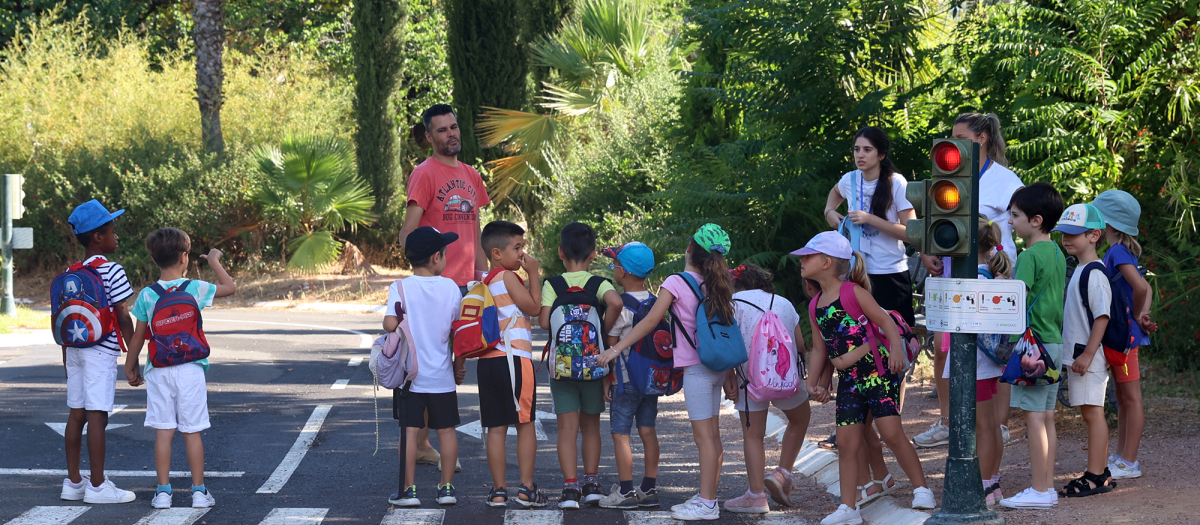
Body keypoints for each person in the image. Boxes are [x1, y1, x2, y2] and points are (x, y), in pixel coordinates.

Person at [601, 223, 738, 521]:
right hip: (716, 366)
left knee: (704, 437)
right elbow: (725, 329)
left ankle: (706, 503)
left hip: (697, 369)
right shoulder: (715, 283)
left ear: (690, 249)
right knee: (713, 436)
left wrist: (614, 349)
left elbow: (650, 321)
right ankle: (708, 496)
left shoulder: (676, 282)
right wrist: (730, 374)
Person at [797, 232, 936, 525]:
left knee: (892, 433)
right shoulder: (815, 305)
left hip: (877, 372)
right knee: (847, 444)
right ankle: (849, 508)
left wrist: (896, 350)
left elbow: (885, 320)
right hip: (850, 381)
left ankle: (922, 489)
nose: (802, 260)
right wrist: (814, 381)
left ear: (826, 262)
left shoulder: (853, 292)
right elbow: (820, 349)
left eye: (807, 256)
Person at [916, 113, 1025, 450]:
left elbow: (1015, 227)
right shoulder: (948, 174)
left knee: (995, 352)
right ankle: (948, 421)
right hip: (950, 272)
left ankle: (1000, 425)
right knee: (943, 347)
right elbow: (934, 221)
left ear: (981, 139)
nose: (953, 144)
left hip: (991, 275)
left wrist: (999, 267)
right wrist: (927, 252)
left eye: (960, 136)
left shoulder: (1007, 181)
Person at [398, 104, 491, 468]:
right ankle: (425, 442)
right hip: (435, 286)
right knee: (434, 366)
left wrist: (484, 281)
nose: (451, 134)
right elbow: (409, 229)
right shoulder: (424, 174)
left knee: (455, 363)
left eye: (454, 127)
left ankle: (423, 442)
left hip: (467, 286)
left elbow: (476, 231)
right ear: (429, 137)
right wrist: (418, 278)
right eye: (442, 130)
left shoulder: (471, 175)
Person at [123, 228, 235, 509]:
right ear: (185, 258)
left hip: (159, 370)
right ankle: (199, 492)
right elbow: (230, 288)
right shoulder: (195, 288)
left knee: (164, 431)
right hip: (190, 369)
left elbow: (139, 336)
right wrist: (214, 262)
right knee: (192, 431)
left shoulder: (148, 295)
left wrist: (130, 364)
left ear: (154, 259)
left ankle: (163, 492)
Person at [538, 222, 623, 509]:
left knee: (566, 429)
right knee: (591, 427)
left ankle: (570, 489)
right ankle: (591, 484)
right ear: (594, 253)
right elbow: (616, 303)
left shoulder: (553, 284)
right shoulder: (599, 284)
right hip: (594, 365)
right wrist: (601, 333)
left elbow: (542, 322)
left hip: (561, 369)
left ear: (560, 252)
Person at [59, 200, 136, 504]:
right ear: (98, 238)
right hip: (100, 351)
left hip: (74, 350)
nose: (117, 237)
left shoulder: (71, 272)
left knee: (76, 414)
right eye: (113, 231)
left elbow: (66, 316)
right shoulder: (113, 271)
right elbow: (122, 317)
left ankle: (74, 482)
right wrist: (133, 358)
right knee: (98, 414)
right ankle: (98, 486)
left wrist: (66, 358)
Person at [722, 263, 812, 513]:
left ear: (737, 284)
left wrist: (728, 376)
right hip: (784, 376)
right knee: (800, 418)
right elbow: (801, 345)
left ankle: (756, 496)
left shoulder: (732, 304)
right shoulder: (784, 302)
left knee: (753, 435)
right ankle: (782, 473)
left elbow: (728, 345)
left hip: (748, 379)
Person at [387, 227, 466, 507]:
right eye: (445, 253)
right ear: (436, 257)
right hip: (442, 377)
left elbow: (388, 324)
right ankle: (446, 489)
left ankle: (408, 490)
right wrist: (459, 365)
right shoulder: (451, 288)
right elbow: (458, 333)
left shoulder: (399, 287)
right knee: (447, 431)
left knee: (409, 432)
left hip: (410, 378)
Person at [999, 182, 1066, 510]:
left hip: (1031, 348)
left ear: (1036, 220)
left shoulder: (1028, 256)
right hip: (1052, 342)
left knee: (1035, 419)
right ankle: (1046, 487)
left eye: (1015, 215)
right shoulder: (1056, 252)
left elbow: (1016, 300)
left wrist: (1000, 287)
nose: (1010, 222)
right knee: (1046, 417)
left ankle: (1040, 490)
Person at [940, 218, 1013, 506]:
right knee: (992, 425)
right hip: (991, 362)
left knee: (983, 426)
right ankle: (992, 482)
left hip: (977, 363)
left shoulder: (974, 281)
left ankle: (982, 486)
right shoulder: (992, 277)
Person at [477, 220, 547, 507]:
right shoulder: (507, 278)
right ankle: (526, 489)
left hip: (488, 362)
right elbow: (533, 307)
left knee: (495, 427)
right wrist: (534, 273)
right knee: (525, 424)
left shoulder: (484, 282)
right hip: (514, 359)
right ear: (496, 253)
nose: (522, 254)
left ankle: (498, 491)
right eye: (517, 248)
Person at [1092, 190, 1157, 479]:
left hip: (1125, 336)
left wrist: (1135, 317)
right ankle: (1122, 456)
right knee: (1122, 396)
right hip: (1125, 334)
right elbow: (1147, 287)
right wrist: (1143, 314)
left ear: (1109, 223)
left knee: (1130, 398)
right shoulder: (1120, 251)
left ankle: (1129, 461)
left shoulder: (1117, 251)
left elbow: (1141, 288)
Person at [1053, 204, 1117, 498]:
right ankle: (1099, 472)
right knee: (1090, 413)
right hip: (1081, 355)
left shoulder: (1095, 273)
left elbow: (1101, 317)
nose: (1067, 239)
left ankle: (1095, 475)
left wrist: (1088, 355)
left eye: (1074, 234)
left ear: (1094, 235)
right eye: (1064, 234)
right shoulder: (1080, 268)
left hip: (1088, 357)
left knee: (1094, 414)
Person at [596, 242, 662, 510]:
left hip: (625, 381)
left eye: (614, 264)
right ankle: (648, 489)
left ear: (622, 271)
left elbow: (609, 346)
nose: (612, 268)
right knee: (648, 431)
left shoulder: (621, 307)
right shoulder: (656, 303)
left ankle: (624, 491)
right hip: (651, 380)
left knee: (621, 433)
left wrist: (606, 381)